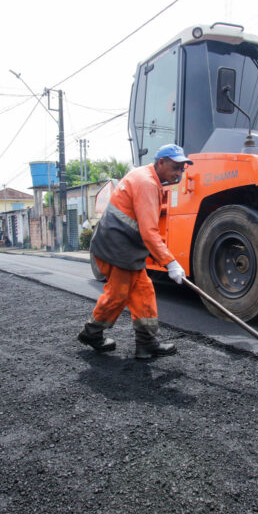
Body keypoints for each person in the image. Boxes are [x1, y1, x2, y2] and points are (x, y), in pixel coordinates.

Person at [78, 144, 190, 359]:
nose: (179, 173)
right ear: (161, 162)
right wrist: (171, 263)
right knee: (118, 294)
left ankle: (146, 343)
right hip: (115, 247)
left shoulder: (149, 178)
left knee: (143, 292)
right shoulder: (147, 183)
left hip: (125, 248)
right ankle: (91, 333)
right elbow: (149, 232)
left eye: (182, 169)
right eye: (175, 167)